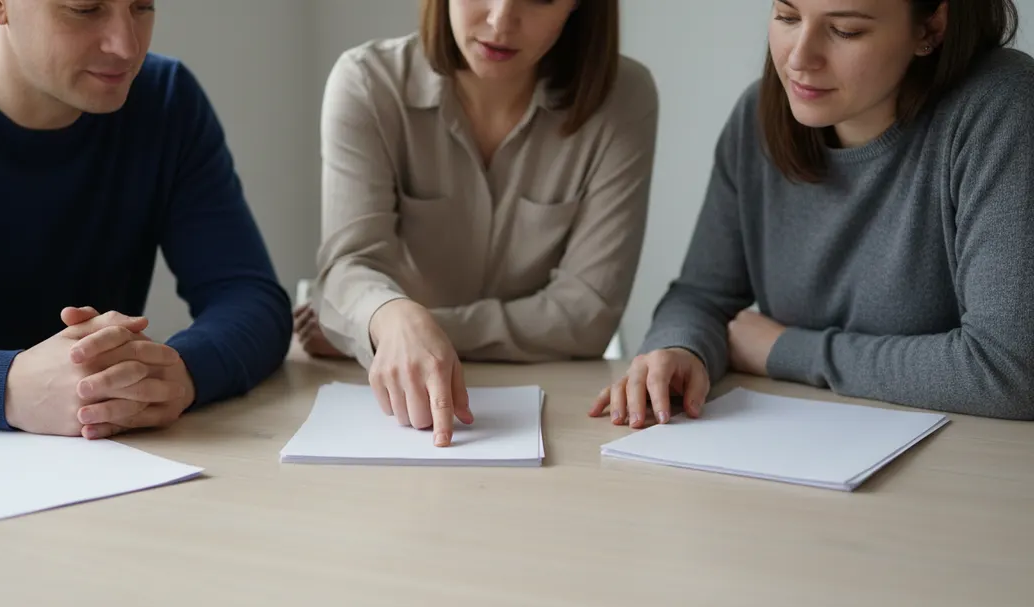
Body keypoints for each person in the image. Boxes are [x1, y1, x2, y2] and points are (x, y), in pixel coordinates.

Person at [0, 0, 293, 439]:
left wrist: (173, 374)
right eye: (85, 9)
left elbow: (250, 298)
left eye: (143, 6)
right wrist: (6, 387)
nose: (126, 46)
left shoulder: (166, 99)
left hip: (110, 472)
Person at [592, 0, 1034, 428]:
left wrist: (786, 350)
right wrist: (679, 349)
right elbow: (703, 295)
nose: (799, 59)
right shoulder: (759, 116)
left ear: (931, 26)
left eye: (846, 30)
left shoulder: (1002, 106)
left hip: (961, 470)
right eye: (787, 16)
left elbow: (1011, 371)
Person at [298, 0, 659, 447]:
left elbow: (587, 314)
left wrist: (394, 330)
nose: (500, 20)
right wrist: (390, 320)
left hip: (558, 410)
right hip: (390, 413)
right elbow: (347, 268)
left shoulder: (624, 97)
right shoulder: (367, 83)